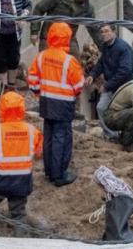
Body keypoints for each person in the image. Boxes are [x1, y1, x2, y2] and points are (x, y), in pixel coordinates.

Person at [0, 91, 43, 237]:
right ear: (22, 109)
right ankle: (21, 244)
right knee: (18, 214)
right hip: (22, 181)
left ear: (2, 109)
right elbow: (39, 153)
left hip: (0, 181)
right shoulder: (32, 131)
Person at [27, 22, 85, 187]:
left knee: (49, 136)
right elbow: (79, 85)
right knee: (62, 137)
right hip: (64, 104)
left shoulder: (42, 56)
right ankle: (59, 175)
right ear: (67, 38)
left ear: (50, 36)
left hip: (46, 102)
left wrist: (39, 93)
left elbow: (32, 79)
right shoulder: (69, 60)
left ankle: (49, 172)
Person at [85, 24, 133, 126]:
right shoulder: (105, 47)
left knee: (122, 113)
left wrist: (106, 86)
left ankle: (122, 135)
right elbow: (101, 63)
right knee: (101, 108)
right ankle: (111, 135)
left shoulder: (123, 48)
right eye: (102, 32)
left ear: (114, 32)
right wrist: (92, 75)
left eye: (107, 31)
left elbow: (125, 71)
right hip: (112, 86)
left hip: (125, 87)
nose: (104, 34)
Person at [30, 0, 101, 57]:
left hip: (69, 39)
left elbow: (94, 29)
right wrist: (34, 31)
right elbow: (39, 9)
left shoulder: (87, 9)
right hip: (49, 37)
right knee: (48, 62)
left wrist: (103, 47)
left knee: (75, 63)